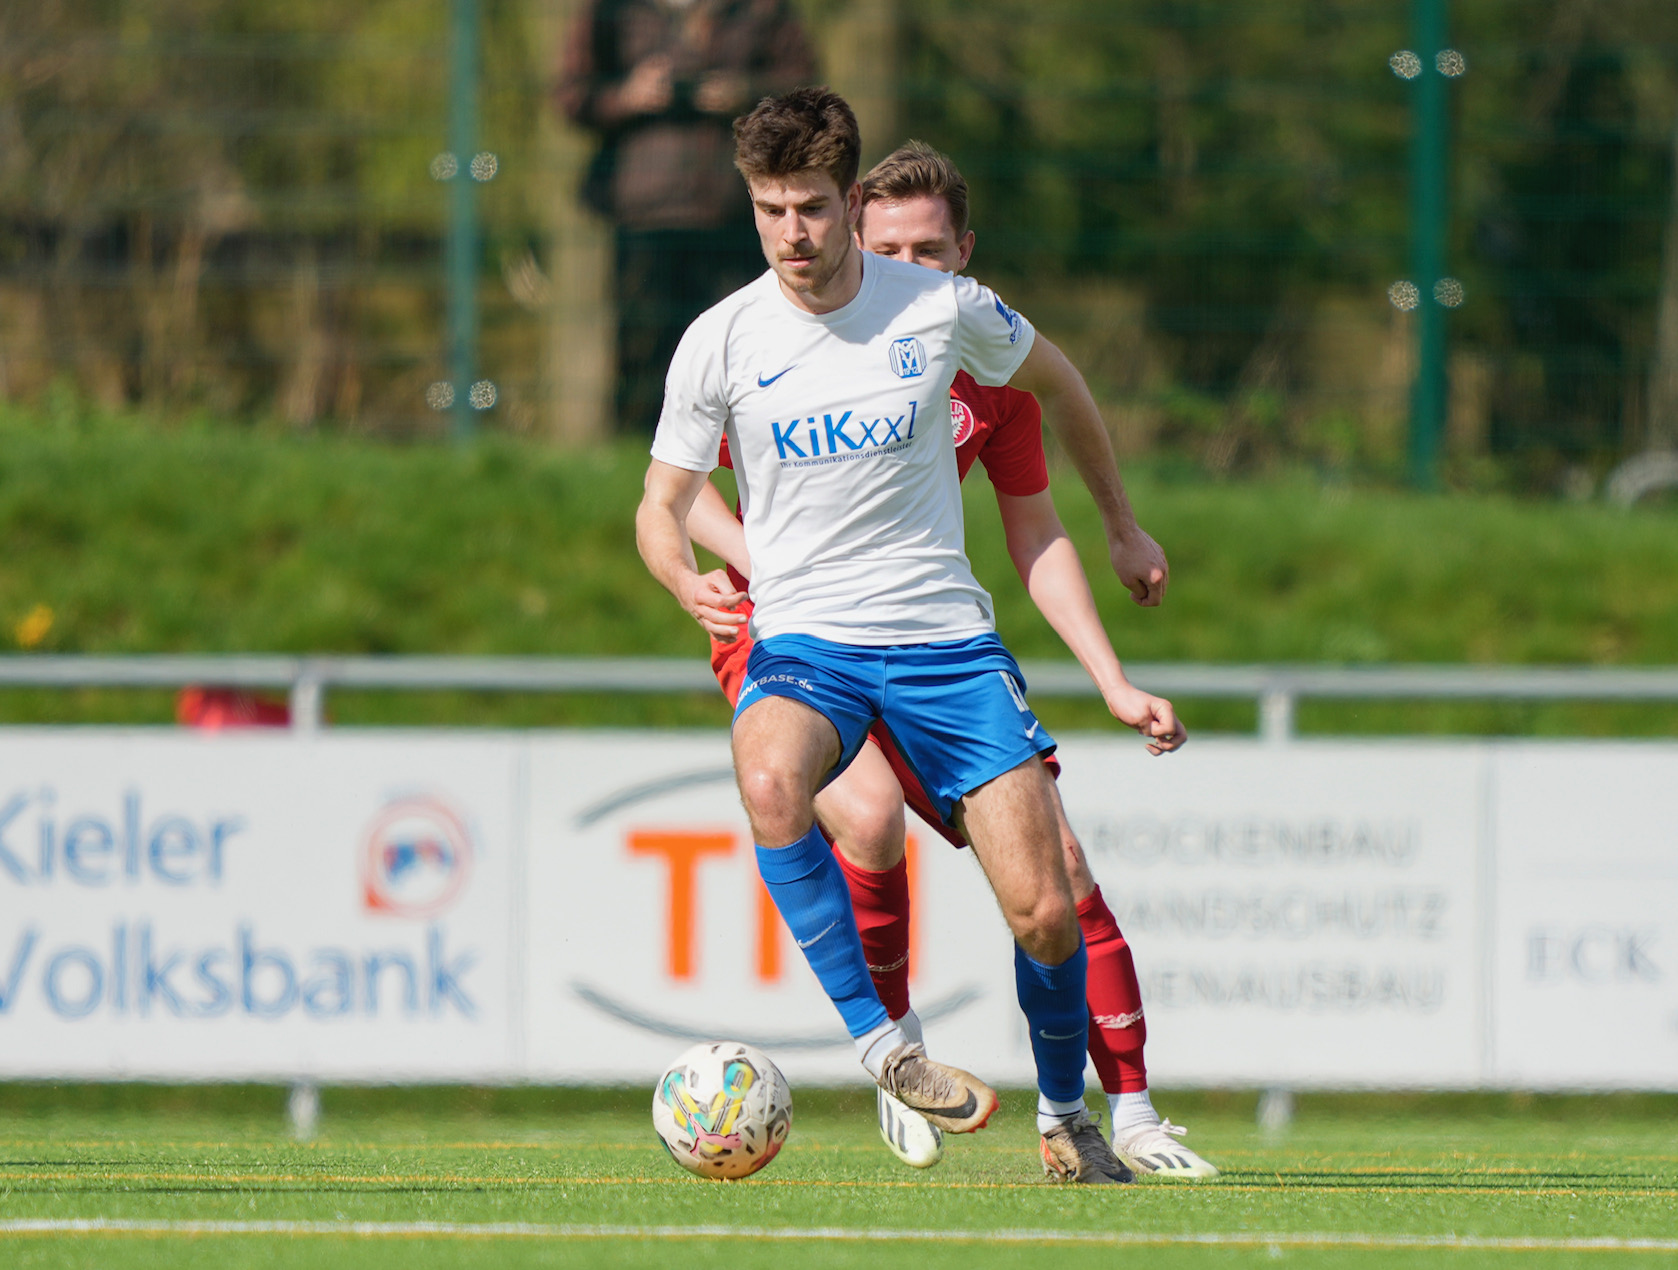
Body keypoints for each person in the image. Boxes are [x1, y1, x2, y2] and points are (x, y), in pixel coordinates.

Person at [637, 88, 1180, 1184]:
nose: (792, 234)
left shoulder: (938, 311)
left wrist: (1121, 525)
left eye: (812, 208)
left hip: (945, 646)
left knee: (1041, 906)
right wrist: (685, 577)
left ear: (847, 199)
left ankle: (1071, 1115)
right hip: (806, 642)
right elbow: (660, 500)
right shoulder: (721, 339)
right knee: (773, 777)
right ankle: (886, 1049)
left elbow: (1060, 383)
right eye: (769, 210)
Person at [556, 0, 815, 433]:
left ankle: (748, 451)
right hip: (644, 213)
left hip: (737, 209)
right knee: (645, 350)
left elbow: (806, 91)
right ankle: (642, 457)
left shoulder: (763, 9)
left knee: (745, 347)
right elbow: (571, 94)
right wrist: (628, 96)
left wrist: (746, 95)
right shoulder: (610, 11)